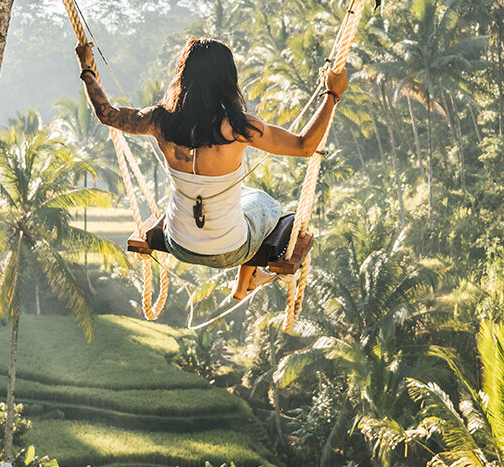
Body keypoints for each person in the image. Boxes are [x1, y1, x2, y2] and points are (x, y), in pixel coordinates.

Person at [76, 37, 347, 296]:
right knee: (265, 204)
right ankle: (246, 281)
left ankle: (246, 283)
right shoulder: (240, 127)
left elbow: (106, 114)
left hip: (178, 243)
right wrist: (332, 93)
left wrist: (87, 69)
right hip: (230, 251)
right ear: (227, 80)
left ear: (183, 75)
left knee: (242, 200)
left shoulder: (159, 119)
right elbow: (304, 146)